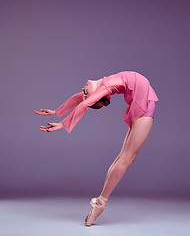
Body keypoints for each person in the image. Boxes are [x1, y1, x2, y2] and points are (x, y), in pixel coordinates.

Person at [34, 71, 159, 226]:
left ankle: (100, 202)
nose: (84, 91)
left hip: (143, 107)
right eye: (87, 94)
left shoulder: (105, 84)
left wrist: (59, 117)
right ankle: (101, 202)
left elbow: (82, 100)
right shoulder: (106, 85)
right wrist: (59, 117)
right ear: (98, 95)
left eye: (86, 93)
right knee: (126, 158)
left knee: (125, 158)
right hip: (143, 107)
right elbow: (82, 100)